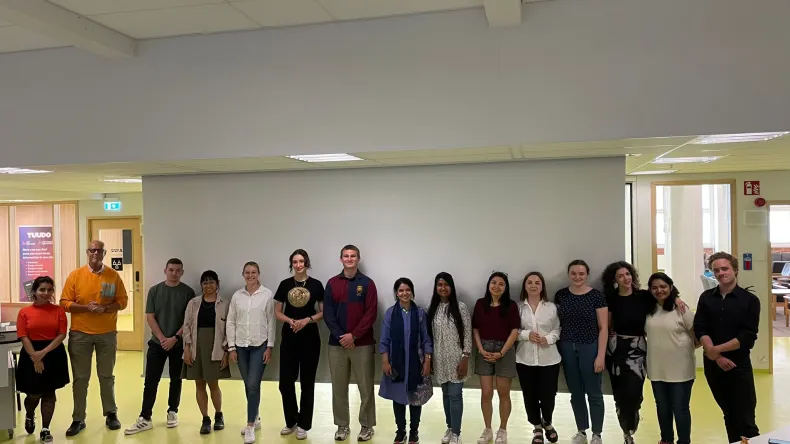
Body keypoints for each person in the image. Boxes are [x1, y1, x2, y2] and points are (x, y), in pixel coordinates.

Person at [59, 240, 128, 436]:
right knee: (81, 378)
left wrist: (105, 308)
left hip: (106, 334)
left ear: (104, 253)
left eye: (99, 250)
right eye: (92, 250)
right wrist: (86, 308)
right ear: (87, 252)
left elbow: (122, 302)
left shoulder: (113, 276)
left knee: (106, 376)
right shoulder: (76, 275)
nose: (95, 253)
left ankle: (111, 413)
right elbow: (64, 302)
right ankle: (78, 418)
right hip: (80, 335)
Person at [694, 252, 760, 443]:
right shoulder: (706, 298)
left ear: (735, 270)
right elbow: (700, 328)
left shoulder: (749, 300)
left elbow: (747, 336)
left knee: (746, 418)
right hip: (714, 366)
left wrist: (716, 350)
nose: (721, 273)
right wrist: (715, 356)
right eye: (716, 270)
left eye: (725, 268)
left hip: (738, 365)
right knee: (729, 415)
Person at [125, 258, 196, 435]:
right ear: (165, 270)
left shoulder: (188, 292)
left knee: (176, 379)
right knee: (151, 381)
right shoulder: (155, 291)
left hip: (178, 344)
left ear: (182, 272)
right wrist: (163, 338)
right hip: (157, 343)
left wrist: (174, 338)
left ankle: (173, 411)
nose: (174, 273)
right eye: (171, 270)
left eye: (178, 270)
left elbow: (189, 320)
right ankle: (145, 417)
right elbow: (150, 316)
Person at [323, 245, 378, 442]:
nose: (349, 259)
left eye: (353, 256)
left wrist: (353, 336)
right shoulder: (332, 283)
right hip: (336, 344)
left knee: (366, 387)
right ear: (341, 259)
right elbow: (328, 314)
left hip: (362, 344)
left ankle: (366, 426)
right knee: (338, 388)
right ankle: (342, 426)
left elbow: (371, 313)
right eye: (346, 256)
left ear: (358, 259)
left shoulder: (368, 284)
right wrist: (342, 337)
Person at [274, 249, 325, 441]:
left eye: (301, 261)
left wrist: (306, 320)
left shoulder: (317, 285)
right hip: (289, 336)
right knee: (285, 383)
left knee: (307, 383)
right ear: (291, 264)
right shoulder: (284, 285)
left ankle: (304, 424)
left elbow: (323, 312)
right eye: (294, 262)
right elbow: (277, 311)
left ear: (306, 263)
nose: (298, 265)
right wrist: (290, 321)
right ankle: (291, 421)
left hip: (310, 337)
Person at [555, 260, 607, 444]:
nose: (578, 277)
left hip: (590, 347)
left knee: (594, 392)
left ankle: (597, 434)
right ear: (569, 274)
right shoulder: (561, 295)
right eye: (574, 273)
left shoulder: (596, 296)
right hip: (567, 348)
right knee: (575, 393)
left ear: (587, 275)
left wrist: (601, 355)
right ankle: (581, 431)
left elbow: (603, 328)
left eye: (581, 273)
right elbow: (557, 323)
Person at [601, 261, 650, 444]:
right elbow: (607, 324)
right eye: (620, 276)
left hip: (638, 350)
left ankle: (633, 414)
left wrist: (676, 298)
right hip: (616, 350)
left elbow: (665, 296)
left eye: (627, 274)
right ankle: (626, 433)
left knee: (634, 392)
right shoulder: (611, 298)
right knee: (620, 394)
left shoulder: (643, 296)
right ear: (614, 280)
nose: (625, 278)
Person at [380, 277, 434, 444]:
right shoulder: (390, 313)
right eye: (401, 290)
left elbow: (426, 338)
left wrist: (427, 360)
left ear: (412, 292)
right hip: (396, 362)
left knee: (415, 398)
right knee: (398, 397)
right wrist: (385, 361)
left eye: (407, 290)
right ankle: (401, 431)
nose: (404, 293)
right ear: (396, 293)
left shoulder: (419, 313)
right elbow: (385, 339)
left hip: (416, 362)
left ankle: (414, 432)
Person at [645, 273, 697, 444]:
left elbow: (697, 337)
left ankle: (684, 441)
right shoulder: (648, 309)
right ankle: (666, 440)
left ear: (670, 287)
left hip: (681, 369)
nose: (659, 290)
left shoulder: (682, 309)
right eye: (654, 287)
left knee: (680, 408)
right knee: (662, 407)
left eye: (663, 286)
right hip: (656, 367)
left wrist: (681, 348)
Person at [228, 261, 276, 444]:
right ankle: (255, 416)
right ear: (243, 274)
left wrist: (269, 346)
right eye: (247, 272)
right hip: (240, 346)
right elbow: (230, 322)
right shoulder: (237, 296)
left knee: (254, 384)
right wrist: (231, 347)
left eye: (253, 272)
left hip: (259, 345)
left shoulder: (267, 295)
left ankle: (249, 425)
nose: (250, 275)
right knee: (248, 384)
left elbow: (271, 322)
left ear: (258, 274)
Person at [17, 276, 69, 443]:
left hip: (53, 353)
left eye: (49, 289)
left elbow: (62, 334)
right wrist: (35, 357)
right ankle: (30, 415)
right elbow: (23, 336)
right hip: (30, 353)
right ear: (34, 292)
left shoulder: (59, 310)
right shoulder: (24, 312)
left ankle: (45, 429)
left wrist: (44, 352)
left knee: (49, 393)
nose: (46, 293)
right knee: (34, 394)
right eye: (42, 290)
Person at [472, 271, 520, 444]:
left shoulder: (511, 306)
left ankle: (503, 429)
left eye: (501, 283)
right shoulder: (480, 304)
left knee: (503, 393)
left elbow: (515, 330)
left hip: (504, 350)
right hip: (484, 350)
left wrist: (502, 352)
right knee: (486, 393)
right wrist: (480, 349)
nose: (497, 286)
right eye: (494, 282)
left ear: (505, 287)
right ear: (488, 285)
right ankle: (488, 430)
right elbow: (475, 328)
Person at [182, 270, 231, 434]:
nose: (208, 286)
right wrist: (187, 348)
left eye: (211, 282)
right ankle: (205, 419)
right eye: (205, 283)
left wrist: (226, 352)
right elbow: (187, 326)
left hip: (216, 347)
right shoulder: (193, 303)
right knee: (199, 383)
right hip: (196, 346)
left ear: (217, 284)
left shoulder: (225, 303)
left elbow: (229, 330)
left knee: (213, 383)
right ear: (201, 285)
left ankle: (219, 415)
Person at [515, 272, 561, 444]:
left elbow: (557, 329)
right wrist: (526, 334)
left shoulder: (551, 307)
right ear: (525, 286)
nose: (533, 285)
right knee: (530, 396)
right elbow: (513, 332)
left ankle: (547, 422)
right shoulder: (518, 308)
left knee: (549, 395)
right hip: (524, 359)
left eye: (537, 282)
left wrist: (548, 339)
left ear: (542, 286)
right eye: (529, 282)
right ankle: (537, 427)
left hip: (549, 359)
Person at [427, 272, 472, 444]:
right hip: (439, 359)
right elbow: (429, 337)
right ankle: (450, 426)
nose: (443, 288)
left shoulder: (461, 308)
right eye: (439, 284)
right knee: (445, 394)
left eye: (446, 284)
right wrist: (429, 359)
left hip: (457, 359)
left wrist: (465, 358)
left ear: (451, 287)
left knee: (455, 395)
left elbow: (467, 334)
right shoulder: (432, 309)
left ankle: (457, 433)